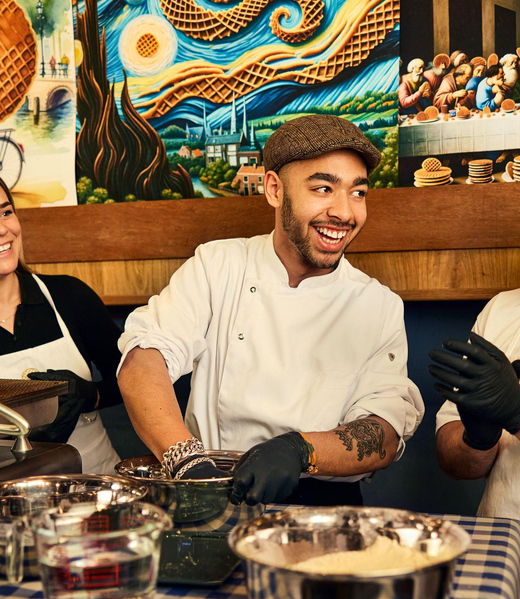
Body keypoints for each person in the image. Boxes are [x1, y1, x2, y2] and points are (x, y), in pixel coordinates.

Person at [117, 114, 424, 506]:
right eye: (323, 188)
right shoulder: (219, 265)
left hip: (323, 507)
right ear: (275, 189)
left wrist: (300, 450)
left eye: (358, 192)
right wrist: (186, 460)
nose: (345, 213)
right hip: (209, 490)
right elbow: (144, 359)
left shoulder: (378, 305)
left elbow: (383, 431)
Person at [0, 177, 122, 473]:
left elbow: (132, 379)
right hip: (9, 495)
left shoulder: (69, 296)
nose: (3, 229)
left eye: (5, 212)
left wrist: (89, 395)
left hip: (99, 484)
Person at [428, 290, 520, 519]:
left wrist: (516, 416)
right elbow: (455, 464)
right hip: (499, 531)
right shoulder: (501, 307)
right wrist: (478, 438)